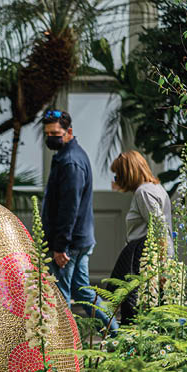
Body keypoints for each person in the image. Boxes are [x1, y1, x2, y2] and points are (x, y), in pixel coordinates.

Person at [40, 109, 118, 332]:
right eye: (47, 134)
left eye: (55, 133)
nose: (50, 138)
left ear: (69, 131)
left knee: (61, 294)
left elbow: (69, 208)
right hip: (81, 239)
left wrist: (60, 246)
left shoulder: (71, 162)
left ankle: (67, 346)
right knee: (82, 290)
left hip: (69, 244)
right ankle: (115, 330)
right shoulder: (69, 156)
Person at [109, 150, 173, 324]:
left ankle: (130, 347)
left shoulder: (143, 193)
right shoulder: (155, 188)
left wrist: (163, 265)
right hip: (148, 255)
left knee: (133, 309)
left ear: (127, 174)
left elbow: (159, 228)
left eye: (117, 175)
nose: (116, 180)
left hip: (144, 258)